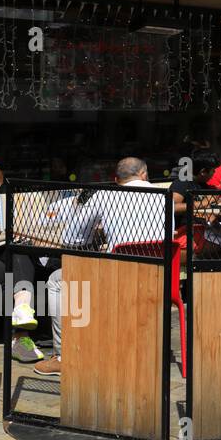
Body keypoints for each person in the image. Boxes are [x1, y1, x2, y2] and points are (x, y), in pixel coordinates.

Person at [39, 157, 167, 376]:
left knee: (57, 280)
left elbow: (73, 238)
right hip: (159, 275)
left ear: (116, 179)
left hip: (119, 276)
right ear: (145, 174)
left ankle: (63, 356)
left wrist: (97, 233)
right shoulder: (166, 198)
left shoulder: (105, 195)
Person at [0, 163, 46, 364]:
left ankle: (22, 311)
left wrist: (9, 236)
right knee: (0, 271)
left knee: (20, 254)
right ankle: (19, 338)